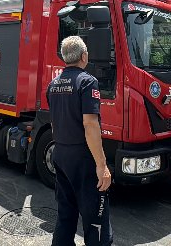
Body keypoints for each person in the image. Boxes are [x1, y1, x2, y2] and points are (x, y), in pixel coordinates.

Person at [47, 36, 112, 246]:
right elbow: (90, 125)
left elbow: (55, 121)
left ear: (65, 58)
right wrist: (102, 166)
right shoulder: (87, 81)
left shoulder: (53, 84)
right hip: (83, 158)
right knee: (96, 219)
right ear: (84, 56)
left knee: (65, 214)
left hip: (60, 153)